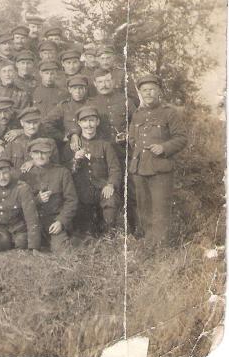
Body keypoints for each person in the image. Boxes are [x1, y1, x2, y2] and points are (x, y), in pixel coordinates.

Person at [129, 74, 187, 246]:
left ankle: (161, 247)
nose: (148, 93)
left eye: (152, 89)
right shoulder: (137, 114)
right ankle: (149, 243)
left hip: (161, 169)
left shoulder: (169, 113)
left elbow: (182, 138)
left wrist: (164, 148)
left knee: (160, 209)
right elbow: (132, 139)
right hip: (139, 169)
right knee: (144, 208)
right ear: (140, 93)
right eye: (145, 90)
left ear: (159, 91)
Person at [63, 106, 121, 235]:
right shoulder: (72, 146)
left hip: (101, 188)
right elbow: (65, 171)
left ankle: (109, 235)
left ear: (97, 122)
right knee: (85, 232)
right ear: (79, 123)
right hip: (81, 191)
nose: (88, 125)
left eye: (92, 120)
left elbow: (115, 168)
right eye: (84, 121)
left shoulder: (105, 145)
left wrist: (110, 184)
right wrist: (75, 160)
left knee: (110, 200)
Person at [20, 137, 77, 253]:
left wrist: (61, 221)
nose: (40, 156)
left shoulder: (62, 172)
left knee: (61, 250)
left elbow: (71, 201)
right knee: (19, 243)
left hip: (53, 220)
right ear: (31, 154)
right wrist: (37, 200)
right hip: (32, 222)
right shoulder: (25, 174)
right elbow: (18, 202)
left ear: (50, 153)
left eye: (44, 153)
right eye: (36, 153)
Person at [3, 107, 60, 180]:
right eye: (28, 123)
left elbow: (56, 167)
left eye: (35, 122)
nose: (32, 126)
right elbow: (5, 165)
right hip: (19, 183)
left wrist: (35, 161)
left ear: (39, 122)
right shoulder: (13, 142)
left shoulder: (49, 142)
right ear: (22, 123)